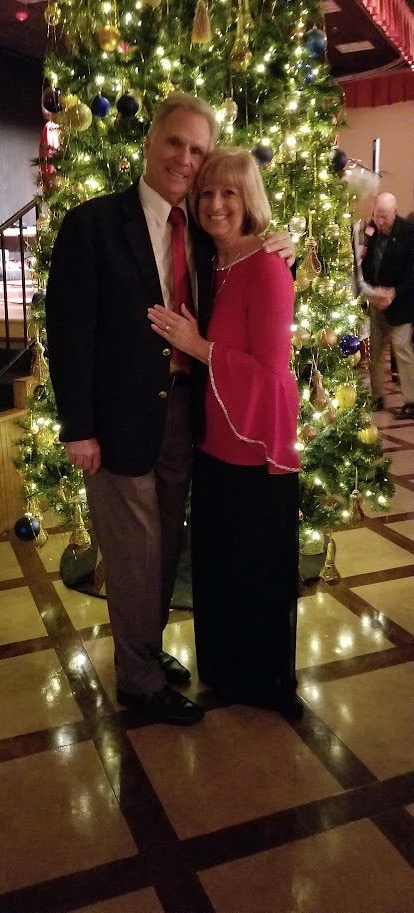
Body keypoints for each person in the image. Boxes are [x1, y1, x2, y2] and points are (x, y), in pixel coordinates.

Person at [46, 93, 295, 727]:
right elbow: (68, 333)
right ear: (150, 143)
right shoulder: (93, 224)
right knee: (135, 555)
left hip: (187, 416)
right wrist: (79, 428)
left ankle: (147, 650)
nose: (185, 158)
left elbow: (248, 265)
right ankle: (139, 681)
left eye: (197, 150)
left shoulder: (207, 236)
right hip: (117, 424)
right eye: (174, 143)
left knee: (163, 547)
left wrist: (280, 243)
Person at [147, 147, 301, 718]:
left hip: (256, 449)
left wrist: (199, 347)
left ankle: (262, 681)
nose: (215, 204)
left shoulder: (267, 266)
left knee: (255, 570)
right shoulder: (215, 261)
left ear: (248, 198)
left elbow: (273, 371)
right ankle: (227, 672)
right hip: (213, 442)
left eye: (229, 193)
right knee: (222, 566)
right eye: (207, 192)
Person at [360, 192, 414, 418]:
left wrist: (393, 293)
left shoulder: (408, 232)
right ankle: (377, 396)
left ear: (394, 212)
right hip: (376, 300)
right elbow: (368, 263)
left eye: (385, 216)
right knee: (375, 351)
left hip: (401, 303)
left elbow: (412, 272)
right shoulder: (371, 229)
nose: (380, 221)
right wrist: (371, 291)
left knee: (402, 349)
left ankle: (411, 401)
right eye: (377, 215)